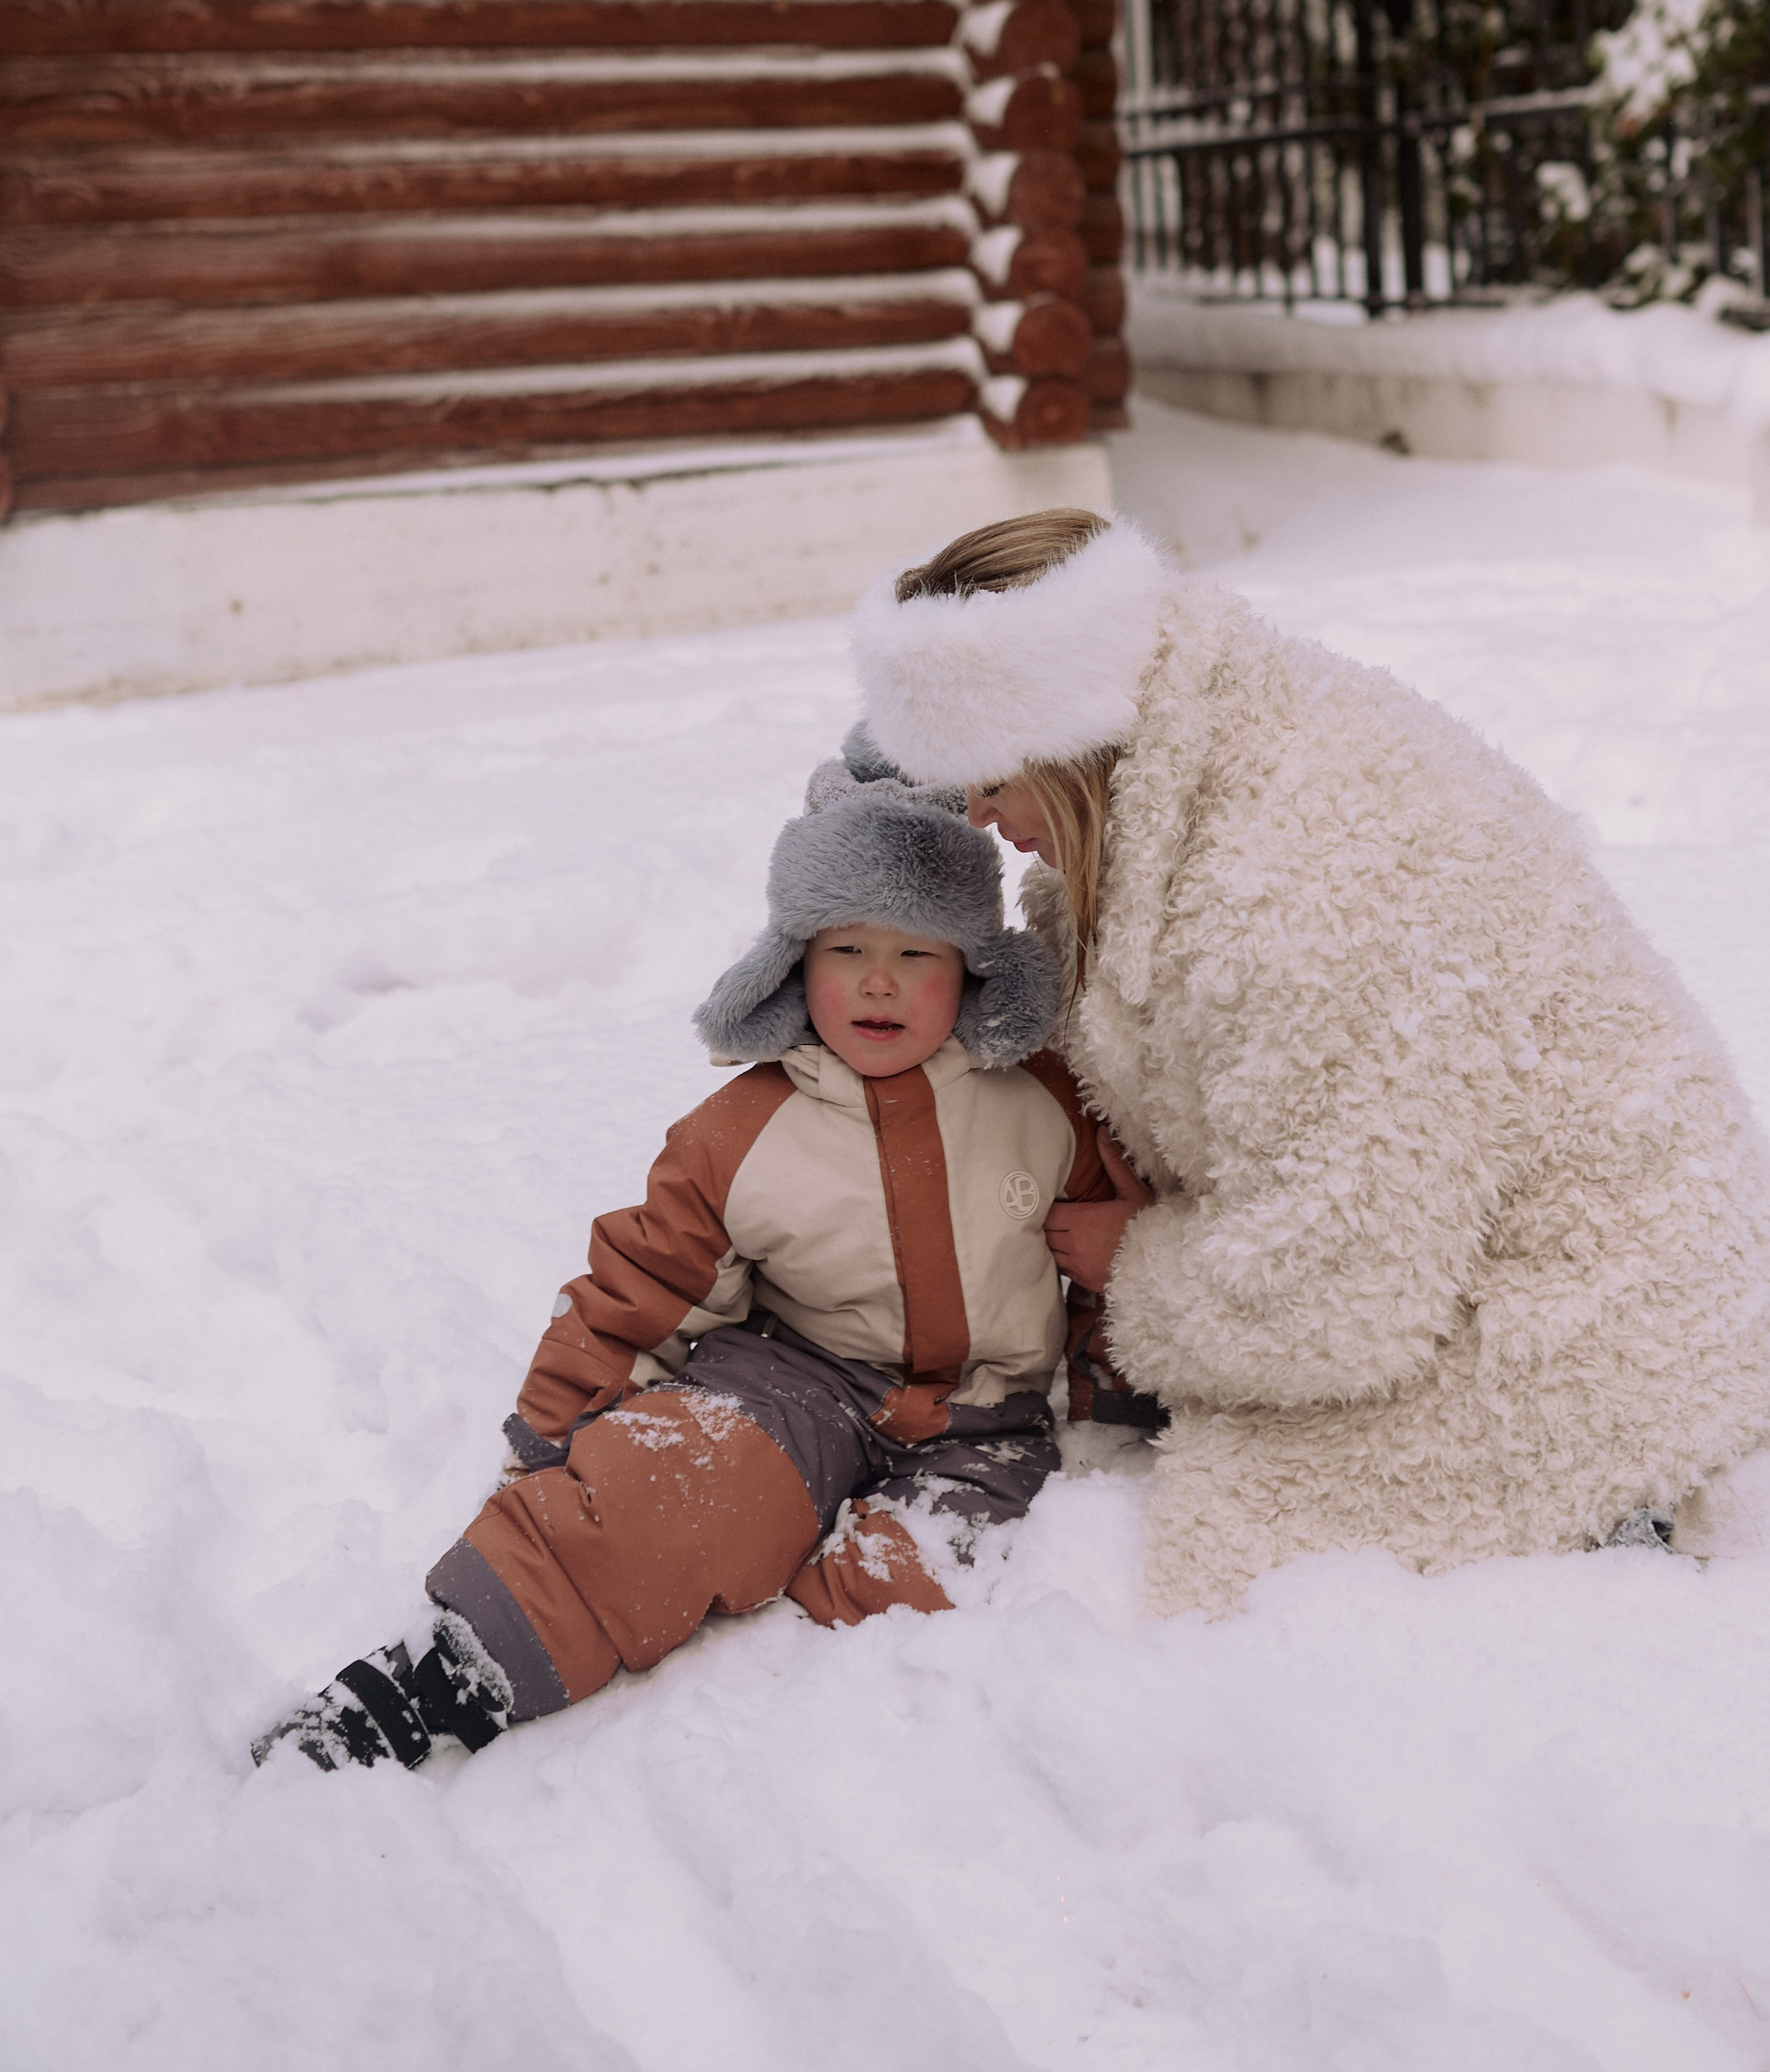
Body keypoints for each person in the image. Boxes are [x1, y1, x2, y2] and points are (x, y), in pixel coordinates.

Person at [848, 507, 1770, 1614]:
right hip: (1468, 1235)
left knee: (1243, 1555)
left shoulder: (1299, 887)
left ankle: (1656, 1520)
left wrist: (1139, 1267)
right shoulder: (1160, 770)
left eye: (991, 777)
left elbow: (1348, 1286)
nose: (978, 814)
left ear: (1063, 728)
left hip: (1599, 1306)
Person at [254, 751, 1147, 1773]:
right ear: (793, 962)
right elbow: (641, 1284)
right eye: (846, 945)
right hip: (796, 1378)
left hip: (986, 1416)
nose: (879, 980)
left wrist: (1112, 1384)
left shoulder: (1044, 1102)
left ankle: (784, 1669)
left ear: (977, 967)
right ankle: (439, 1678)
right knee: (670, 1492)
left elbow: (1105, 1277)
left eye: (919, 951)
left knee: (930, 1572)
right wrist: (555, 1422)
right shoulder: (739, 1131)